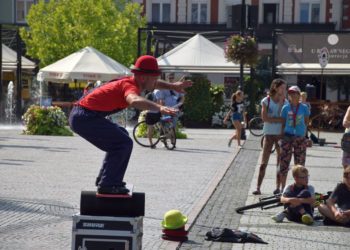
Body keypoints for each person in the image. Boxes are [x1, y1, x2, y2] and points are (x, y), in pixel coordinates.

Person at [69, 55, 192, 194]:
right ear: (143, 77)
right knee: (123, 143)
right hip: (84, 117)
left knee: (122, 135)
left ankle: (105, 178)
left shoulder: (134, 81)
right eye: (155, 77)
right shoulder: (130, 87)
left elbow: (154, 84)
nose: (157, 81)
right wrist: (159, 107)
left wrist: (172, 86)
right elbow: (133, 100)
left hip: (84, 114)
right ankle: (108, 184)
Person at [252, 78, 287, 195]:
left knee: (279, 162)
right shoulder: (266, 100)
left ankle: (277, 188)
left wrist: (274, 119)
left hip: (280, 135)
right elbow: (264, 118)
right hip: (268, 134)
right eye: (282, 87)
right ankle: (258, 187)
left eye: (284, 88)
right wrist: (278, 120)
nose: (284, 90)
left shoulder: (285, 102)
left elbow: (285, 119)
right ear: (275, 87)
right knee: (263, 163)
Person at [279, 86, 310, 191]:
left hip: (300, 138)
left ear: (299, 94)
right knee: (284, 163)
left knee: (300, 164)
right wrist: (281, 137)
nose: (292, 95)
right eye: (290, 94)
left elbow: (306, 122)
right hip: (287, 137)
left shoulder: (304, 108)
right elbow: (283, 124)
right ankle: (283, 189)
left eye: (295, 93)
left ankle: (300, 188)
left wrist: (305, 136)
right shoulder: (285, 108)